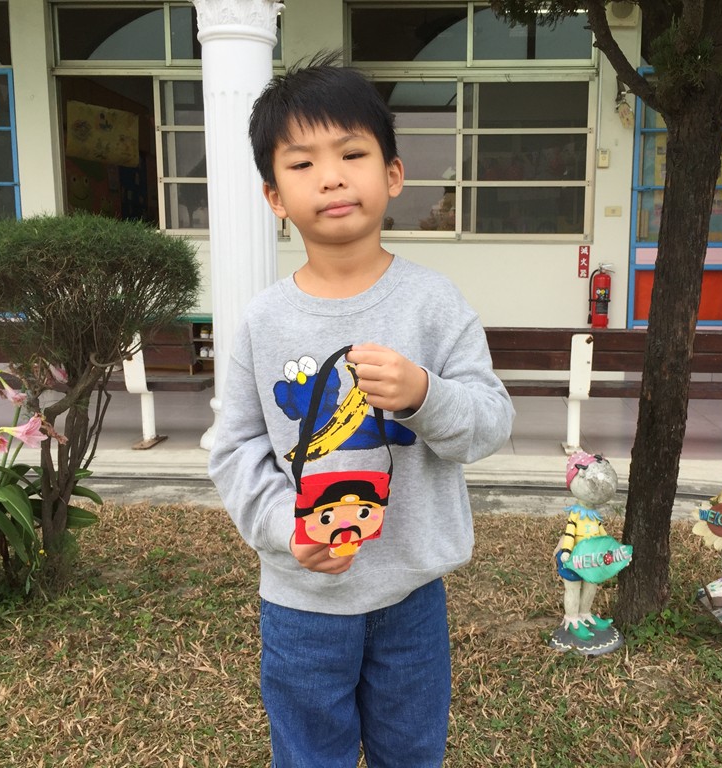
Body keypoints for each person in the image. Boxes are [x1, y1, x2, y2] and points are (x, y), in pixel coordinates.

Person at [208, 53, 514, 768]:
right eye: (302, 163)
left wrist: (424, 394)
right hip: (301, 599)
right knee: (309, 755)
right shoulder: (262, 320)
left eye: (352, 154)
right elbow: (235, 448)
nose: (332, 177)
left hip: (412, 594)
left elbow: (490, 421)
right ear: (274, 197)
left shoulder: (433, 303)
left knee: (412, 752)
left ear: (393, 174)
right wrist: (285, 528)